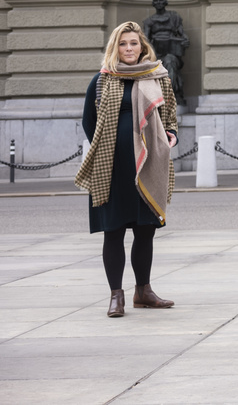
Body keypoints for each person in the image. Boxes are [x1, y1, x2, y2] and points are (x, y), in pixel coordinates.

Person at [74, 21, 178, 318]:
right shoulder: (102, 79)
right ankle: (116, 295)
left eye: (133, 43)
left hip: (148, 165)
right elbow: (88, 121)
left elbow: (169, 115)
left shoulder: (159, 78)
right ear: (115, 48)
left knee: (146, 231)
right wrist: (111, 145)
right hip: (112, 167)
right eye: (123, 44)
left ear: (142, 47)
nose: (128, 49)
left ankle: (143, 291)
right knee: (114, 231)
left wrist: (170, 135)